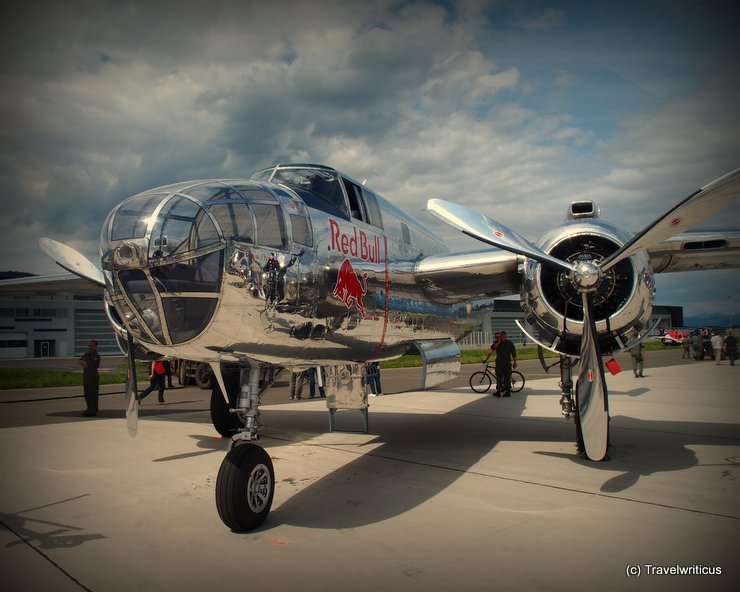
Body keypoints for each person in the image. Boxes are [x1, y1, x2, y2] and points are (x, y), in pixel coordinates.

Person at [489, 331, 517, 397]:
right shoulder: (497, 342)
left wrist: (515, 362)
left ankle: (508, 392)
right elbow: (492, 348)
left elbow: (513, 353)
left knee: (507, 378)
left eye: (504, 336)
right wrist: (498, 342)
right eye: (501, 336)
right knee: (499, 378)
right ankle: (498, 391)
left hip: (507, 363)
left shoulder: (509, 343)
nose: (503, 337)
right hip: (499, 363)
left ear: (506, 336)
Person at [78, 340, 101, 417]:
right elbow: (80, 361)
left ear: (95, 346)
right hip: (86, 375)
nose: (89, 347)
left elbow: (88, 365)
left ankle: (93, 410)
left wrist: (85, 363)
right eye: (88, 345)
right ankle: (89, 408)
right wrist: (85, 363)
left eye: (91, 345)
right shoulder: (87, 354)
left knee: (93, 394)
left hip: (93, 376)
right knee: (87, 393)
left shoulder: (96, 356)